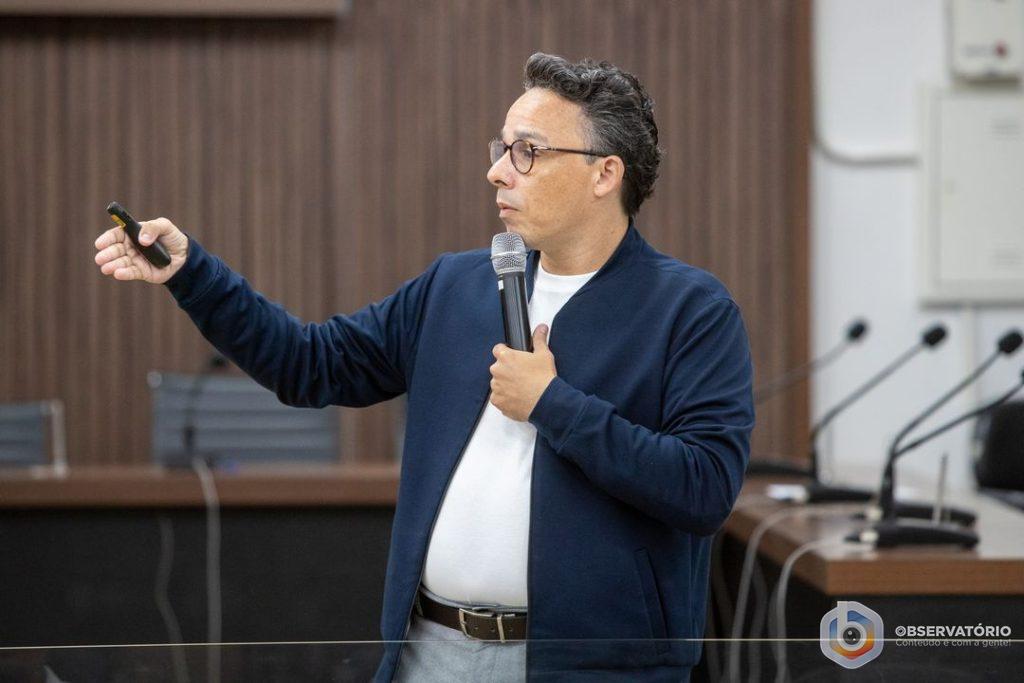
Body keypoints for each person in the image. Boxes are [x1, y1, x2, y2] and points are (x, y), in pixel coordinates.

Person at [94, 53, 754, 682]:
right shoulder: (456, 287)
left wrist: (553, 403)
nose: (498, 172)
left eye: (527, 151)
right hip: (431, 650)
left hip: (592, 667)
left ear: (604, 174)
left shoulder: (689, 311)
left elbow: (704, 487)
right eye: (501, 149)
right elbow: (309, 363)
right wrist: (194, 275)